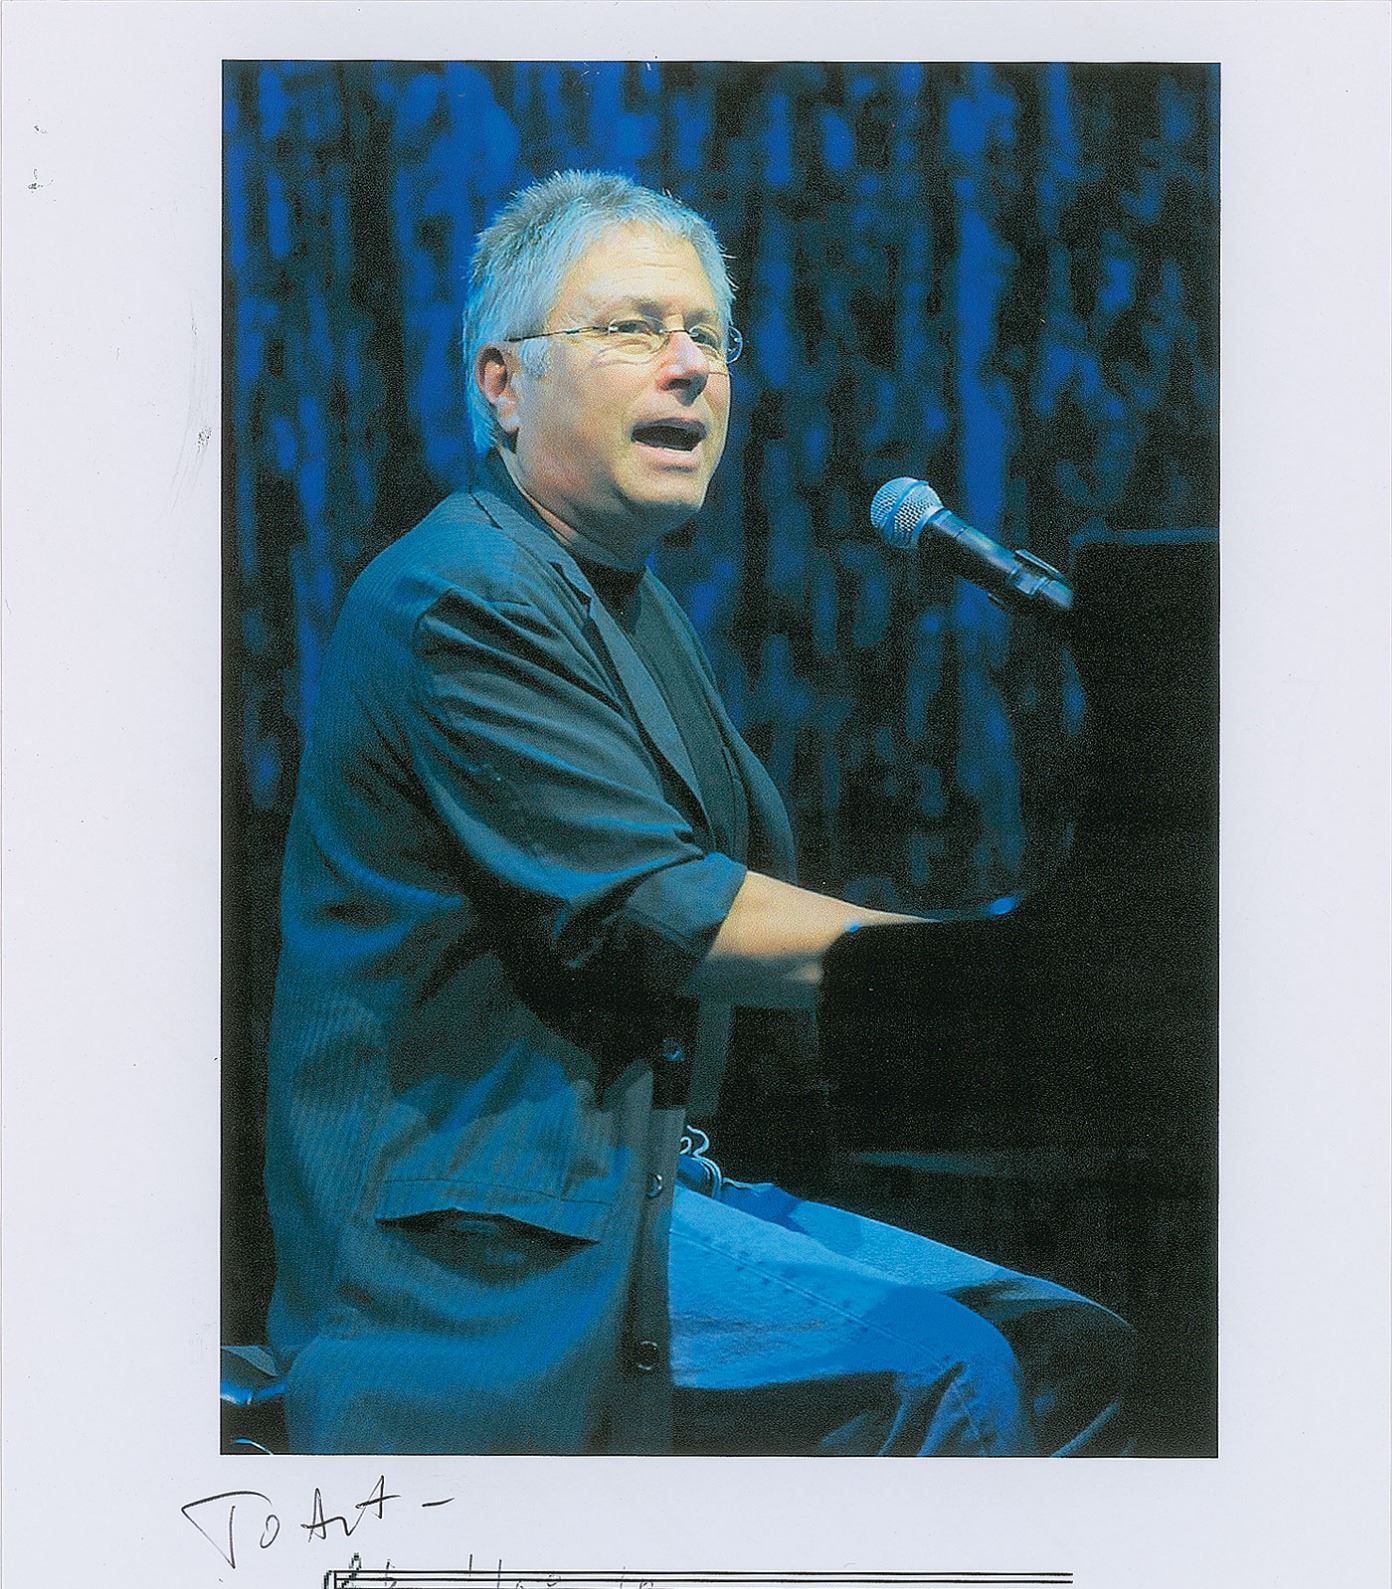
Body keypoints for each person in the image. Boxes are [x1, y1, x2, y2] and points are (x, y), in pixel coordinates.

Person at [263, 169, 1131, 1456]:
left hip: (639, 1187)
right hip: (483, 1238)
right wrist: (977, 975)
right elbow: (657, 908)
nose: (688, 367)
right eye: (631, 329)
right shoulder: (459, 594)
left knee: (1069, 1349)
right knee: (949, 1369)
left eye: (709, 338)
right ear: (502, 384)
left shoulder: (622, 597)